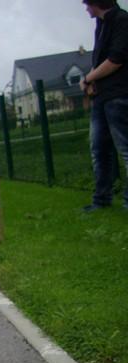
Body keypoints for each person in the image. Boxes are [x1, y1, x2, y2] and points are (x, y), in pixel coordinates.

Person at [80, 0, 128, 212]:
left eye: (87, 4)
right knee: (99, 148)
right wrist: (89, 81)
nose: (86, 8)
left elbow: (115, 60)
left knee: (125, 149)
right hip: (101, 97)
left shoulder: (121, 20)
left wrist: (90, 77)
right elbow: (99, 60)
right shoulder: (101, 25)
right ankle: (102, 198)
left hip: (119, 94)